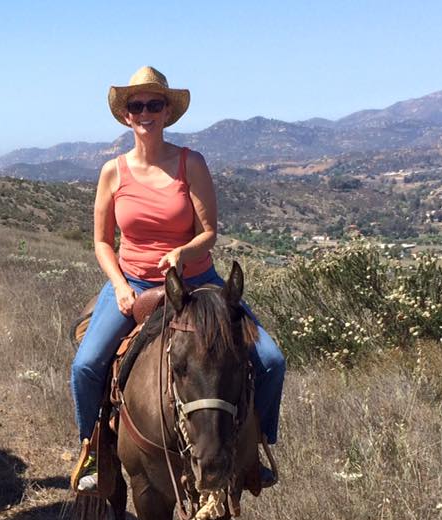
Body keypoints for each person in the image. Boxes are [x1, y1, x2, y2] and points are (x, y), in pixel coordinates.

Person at [70, 66, 285, 489]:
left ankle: (255, 446)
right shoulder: (112, 172)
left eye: (155, 104)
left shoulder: (191, 163)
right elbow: (101, 242)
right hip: (133, 283)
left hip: (198, 284)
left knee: (272, 361)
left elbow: (209, 233)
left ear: (168, 111)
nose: (146, 112)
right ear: (126, 114)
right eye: (137, 105)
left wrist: (181, 253)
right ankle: (93, 450)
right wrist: (118, 285)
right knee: (85, 366)